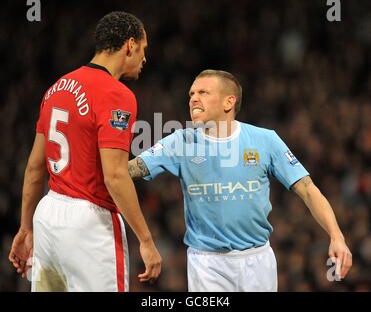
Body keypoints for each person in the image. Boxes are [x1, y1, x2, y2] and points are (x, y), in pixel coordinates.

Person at [128, 69, 352, 292]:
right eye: (191, 94)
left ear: (229, 102)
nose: (193, 98)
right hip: (207, 262)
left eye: (203, 92)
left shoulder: (265, 140)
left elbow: (307, 189)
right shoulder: (180, 141)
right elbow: (129, 170)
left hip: (258, 260)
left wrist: (336, 236)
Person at [8, 11, 162, 292]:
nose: (144, 59)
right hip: (89, 224)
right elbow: (114, 176)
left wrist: (26, 227)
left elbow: (34, 167)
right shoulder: (117, 94)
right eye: (143, 49)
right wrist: (146, 240)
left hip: (48, 213)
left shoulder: (56, 87)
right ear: (130, 44)